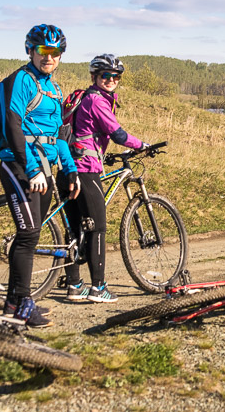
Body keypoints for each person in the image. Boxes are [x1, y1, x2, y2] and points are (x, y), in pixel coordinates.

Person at [0, 24, 80, 327]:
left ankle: (11, 303)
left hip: (45, 168)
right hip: (19, 165)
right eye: (43, 50)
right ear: (30, 50)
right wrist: (31, 167)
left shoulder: (54, 89)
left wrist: (70, 170)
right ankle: (24, 305)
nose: (49, 57)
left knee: (29, 237)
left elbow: (58, 136)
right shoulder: (22, 80)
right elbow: (12, 125)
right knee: (29, 235)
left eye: (55, 51)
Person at [57, 54, 148, 303]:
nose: (111, 80)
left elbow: (87, 133)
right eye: (105, 75)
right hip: (85, 169)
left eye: (115, 76)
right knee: (97, 227)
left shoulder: (83, 98)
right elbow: (117, 134)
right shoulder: (97, 101)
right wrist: (142, 145)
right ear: (94, 77)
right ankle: (98, 288)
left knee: (74, 228)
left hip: (67, 168)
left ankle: (75, 285)